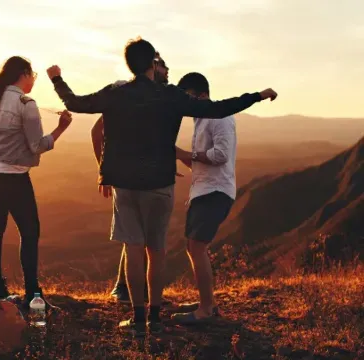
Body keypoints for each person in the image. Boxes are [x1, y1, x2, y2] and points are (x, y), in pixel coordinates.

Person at [47, 38, 277, 337]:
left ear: (129, 64)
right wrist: (257, 95)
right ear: (152, 65)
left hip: (126, 183)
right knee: (157, 251)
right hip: (160, 183)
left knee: (133, 249)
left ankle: (138, 319)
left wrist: (57, 79)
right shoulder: (170, 96)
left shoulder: (116, 94)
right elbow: (219, 109)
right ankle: (155, 317)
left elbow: (76, 103)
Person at [0, 56, 73, 310]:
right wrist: (61, 128)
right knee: (30, 231)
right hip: (14, 174)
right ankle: (33, 294)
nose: (33, 81)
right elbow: (37, 145)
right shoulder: (26, 103)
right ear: (24, 74)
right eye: (33, 76)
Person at [91, 52, 170, 304]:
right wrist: (105, 171)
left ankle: (134, 294)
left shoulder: (154, 97)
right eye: (164, 66)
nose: (168, 72)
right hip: (130, 178)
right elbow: (97, 131)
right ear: (152, 67)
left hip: (144, 175)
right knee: (136, 238)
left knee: (138, 238)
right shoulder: (126, 94)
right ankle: (126, 290)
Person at [171, 72, 241, 324]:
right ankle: (205, 300)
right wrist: (180, 156)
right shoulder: (200, 120)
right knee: (194, 247)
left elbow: (221, 155)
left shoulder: (219, 116)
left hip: (216, 191)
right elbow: (203, 162)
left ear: (201, 95)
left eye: (187, 96)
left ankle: (206, 310)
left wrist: (185, 152)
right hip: (204, 190)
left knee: (197, 247)